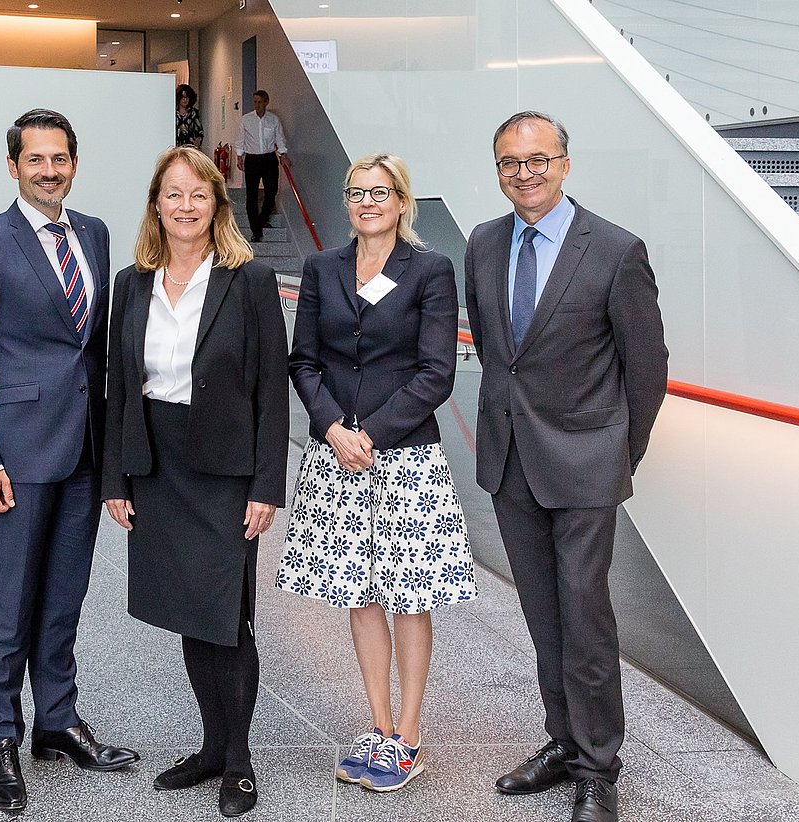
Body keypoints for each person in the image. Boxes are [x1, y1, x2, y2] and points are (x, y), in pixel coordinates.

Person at [462, 112, 668, 822]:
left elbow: (647, 369)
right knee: (543, 615)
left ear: (565, 163)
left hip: (585, 464)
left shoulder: (613, 250)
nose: (525, 172)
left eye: (538, 159)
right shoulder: (484, 243)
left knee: (585, 617)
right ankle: (562, 741)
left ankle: (598, 768)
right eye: (510, 162)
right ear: (497, 170)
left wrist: (618, 450)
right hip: (512, 460)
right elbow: (497, 351)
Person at [0, 108, 139, 815]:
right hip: (18, 457)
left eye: (60, 159)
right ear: (14, 166)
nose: (49, 171)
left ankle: (58, 721)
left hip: (84, 449)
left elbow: (94, 352)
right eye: (36, 160)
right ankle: (2, 737)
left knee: (63, 597)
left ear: (74, 164)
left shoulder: (93, 233)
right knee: (11, 602)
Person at [276, 153, 477, 793]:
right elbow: (303, 360)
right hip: (337, 456)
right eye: (356, 192)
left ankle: (409, 738)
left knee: (411, 599)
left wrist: (373, 434)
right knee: (359, 597)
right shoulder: (321, 268)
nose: (367, 202)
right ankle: (379, 725)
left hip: (405, 459)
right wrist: (334, 428)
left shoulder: (431, 271)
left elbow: (435, 372)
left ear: (401, 201)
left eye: (380, 192)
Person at [101, 145, 289, 818]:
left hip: (226, 471)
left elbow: (273, 391)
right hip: (158, 465)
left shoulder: (250, 280)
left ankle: (238, 763)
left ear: (217, 205)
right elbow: (119, 387)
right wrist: (115, 479)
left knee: (227, 620)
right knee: (188, 612)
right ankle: (211, 747)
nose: (185, 206)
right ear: (157, 203)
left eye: (198, 195)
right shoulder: (133, 281)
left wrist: (267, 486)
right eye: (173, 194)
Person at [234, 90, 288, 243]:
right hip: (252, 158)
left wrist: (283, 154)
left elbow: (279, 138)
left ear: (266, 102)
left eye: (260, 102)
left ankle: (262, 219)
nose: (257, 105)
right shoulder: (246, 120)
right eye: (255, 102)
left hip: (269, 158)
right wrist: (239, 156)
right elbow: (241, 139)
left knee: (272, 191)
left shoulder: (273, 120)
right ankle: (256, 231)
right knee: (251, 195)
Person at [175, 83, 204, 150]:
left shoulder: (194, 113)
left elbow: (199, 130)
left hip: (190, 148)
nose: (185, 100)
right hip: (175, 146)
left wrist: (198, 141)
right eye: (182, 97)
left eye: (187, 97)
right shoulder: (173, 113)